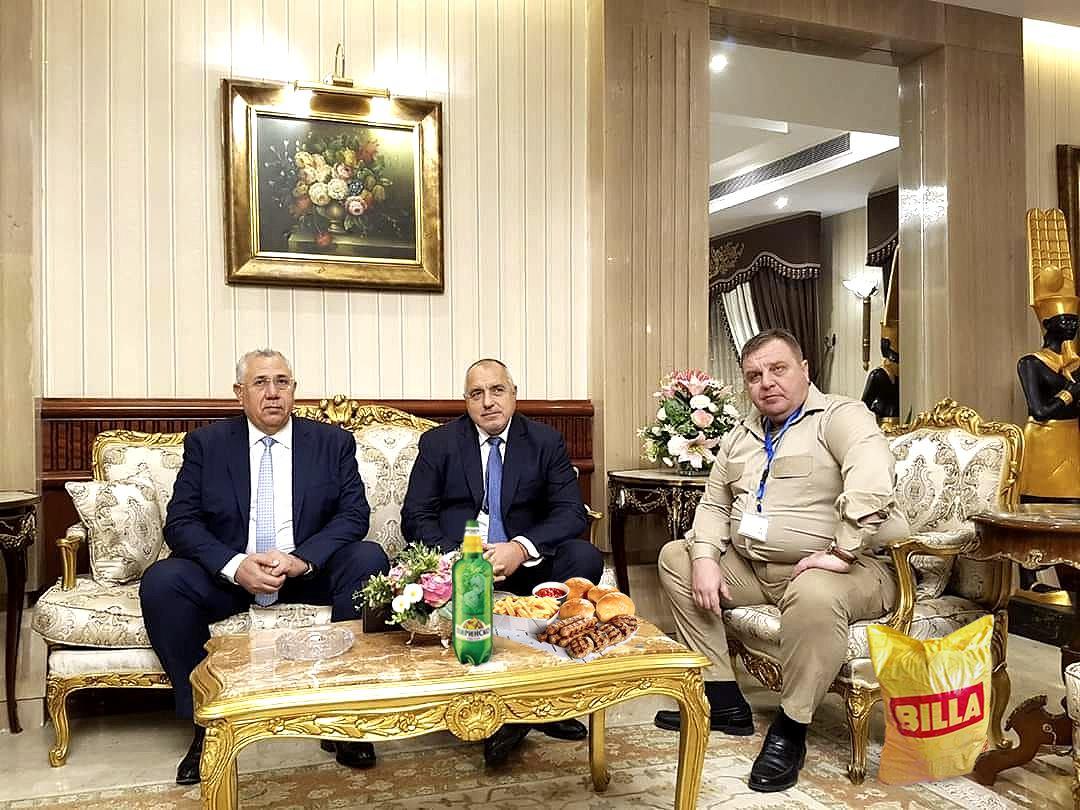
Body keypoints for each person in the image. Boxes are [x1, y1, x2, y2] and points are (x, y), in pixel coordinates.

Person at [655, 328, 907, 793]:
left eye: (778, 369)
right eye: (754, 376)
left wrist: (842, 550)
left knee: (814, 592)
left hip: (848, 569)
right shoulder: (741, 434)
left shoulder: (840, 416)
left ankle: (792, 727)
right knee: (677, 557)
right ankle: (723, 699)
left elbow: (872, 478)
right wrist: (705, 556)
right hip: (758, 570)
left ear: (804, 369)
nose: (766, 382)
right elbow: (713, 504)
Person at [139, 349, 389, 785]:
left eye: (282, 382)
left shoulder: (332, 443)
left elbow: (353, 516)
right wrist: (235, 565)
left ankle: (345, 717)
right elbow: (180, 522)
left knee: (368, 558)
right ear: (240, 393)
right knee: (163, 581)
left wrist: (302, 559)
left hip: (305, 573)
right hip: (230, 578)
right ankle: (206, 724)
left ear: (294, 390)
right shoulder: (208, 444)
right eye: (260, 383)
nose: (273, 393)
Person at [402, 358, 604, 765]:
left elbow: (571, 512)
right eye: (476, 394)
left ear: (513, 394)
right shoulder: (439, 443)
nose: (488, 402)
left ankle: (541, 700)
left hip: (529, 567)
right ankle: (506, 709)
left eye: (497, 391)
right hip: (458, 568)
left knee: (583, 554)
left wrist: (520, 548)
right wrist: (462, 560)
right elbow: (416, 517)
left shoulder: (544, 441)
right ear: (466, 401)